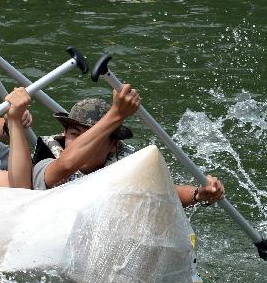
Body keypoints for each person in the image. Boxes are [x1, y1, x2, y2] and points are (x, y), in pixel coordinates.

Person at [32, 84, 225, 207]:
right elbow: (65, 166)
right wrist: (117, 113)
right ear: (64, 136)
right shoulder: (46, 161)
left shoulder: (125, 168)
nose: (83, 143)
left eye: (95, 138)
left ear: (113, 145)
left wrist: (199, 194)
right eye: (74, 134)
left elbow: (164, 194)